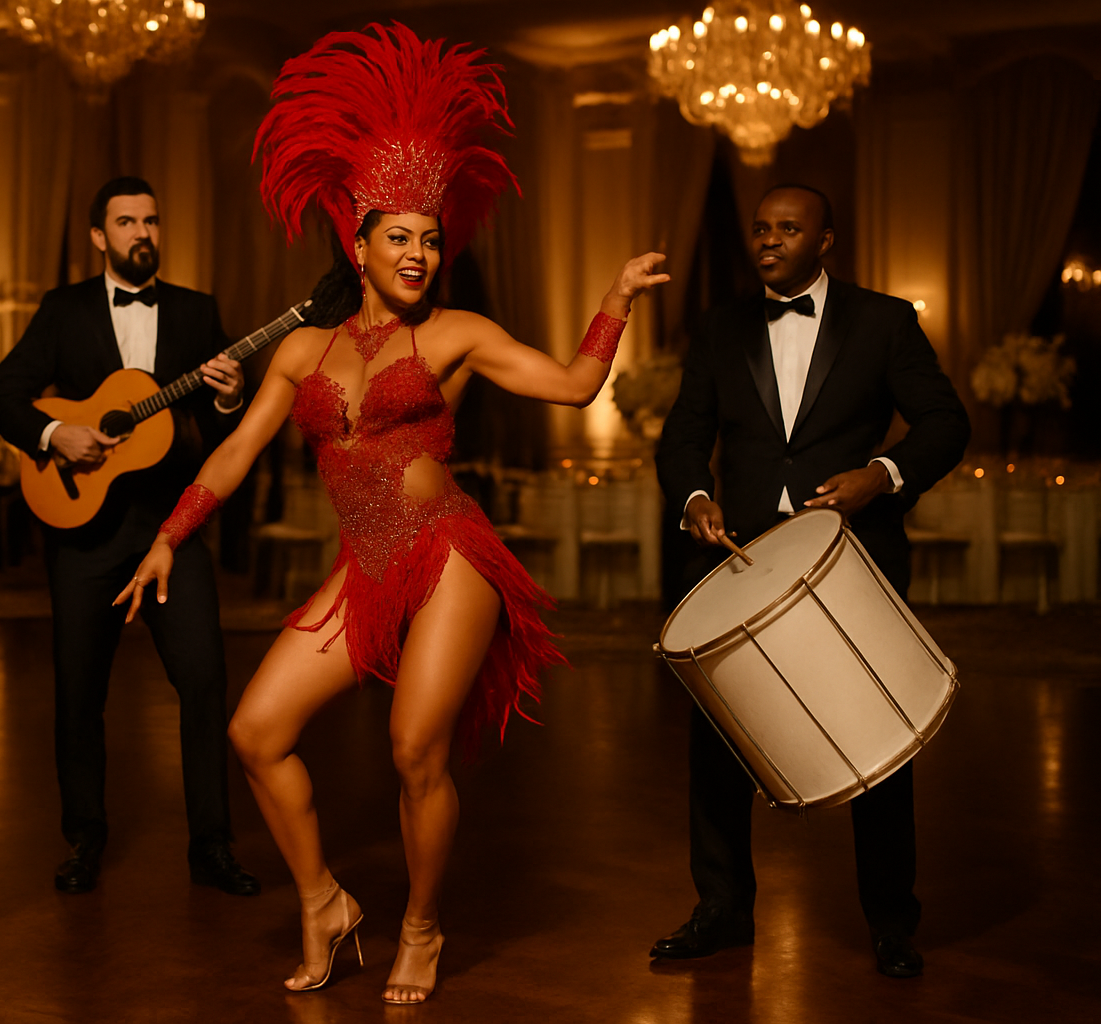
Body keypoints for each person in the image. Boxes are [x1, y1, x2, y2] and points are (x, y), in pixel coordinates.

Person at [116, 23, 666, 1005]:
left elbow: (577, 385)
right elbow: (236, 454)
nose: (419, 252)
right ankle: (323, 899)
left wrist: (614, 297)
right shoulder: (304, 353)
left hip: (449, 551)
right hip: (362, 565)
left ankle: (421, 923)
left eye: (430, 237)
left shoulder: (457, 332)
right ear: (357, 243)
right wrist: (167, 538)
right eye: (398, 237)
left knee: (415, 746)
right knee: (255, 731)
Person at [652, 184, 970, 978]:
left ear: (825, 241)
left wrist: (884, 473)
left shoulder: (885, 320)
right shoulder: (722, 327)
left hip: (850, 556)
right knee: (721, 744)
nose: (769, 241)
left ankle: (893, 922)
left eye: (788, 230)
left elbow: (946, 422)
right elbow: (684, 435)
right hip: (740, 557)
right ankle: (722, 910)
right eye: (761, 230)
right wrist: (694, 496)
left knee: (876, 736)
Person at [0, 176, 259, 898]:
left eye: (152, 221)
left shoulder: (196, 313)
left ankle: (213, 846)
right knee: (79, 693)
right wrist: (53, 433)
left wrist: (228, 396)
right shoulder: (63, 310)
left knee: (203, 682)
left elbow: (228, 432)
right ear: (100, 237)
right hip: (83, 531)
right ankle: (85, 838)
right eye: (127, 222)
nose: (143, 233)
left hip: (172, 527)